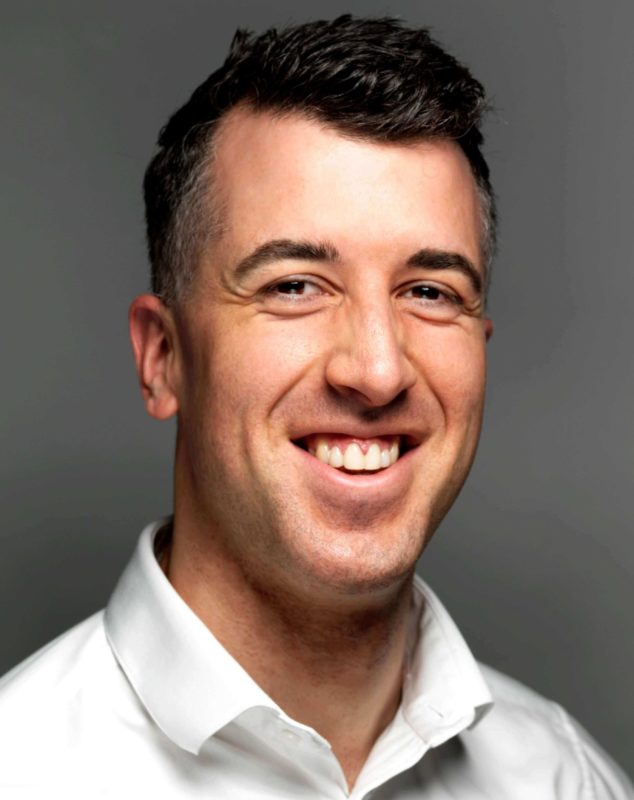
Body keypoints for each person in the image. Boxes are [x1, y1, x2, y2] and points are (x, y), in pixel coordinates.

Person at [0, 14, 631, 799]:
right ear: (163, 357)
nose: (377, 371)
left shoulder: (565, 780)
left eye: (430, 292)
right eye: (295, 285)